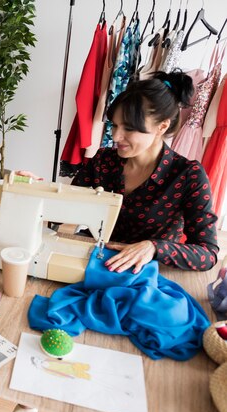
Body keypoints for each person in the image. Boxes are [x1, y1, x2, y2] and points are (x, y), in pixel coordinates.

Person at [71, 70, 218, 273]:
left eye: (129, 128)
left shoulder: (187, 175)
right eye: (114, 125)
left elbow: (207, 254)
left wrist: (153, 247)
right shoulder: (103, 160)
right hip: (89, 264)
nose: (116, 136)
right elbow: (65, 209)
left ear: (162, 127)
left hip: (143, 275)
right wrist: (34, 190)